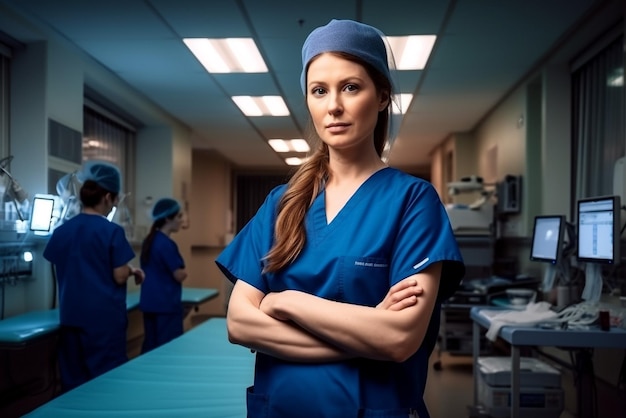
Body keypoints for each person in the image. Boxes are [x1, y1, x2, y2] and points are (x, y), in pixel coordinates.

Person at [216, 19, 465, 418]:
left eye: (351, 87)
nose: (333, 105)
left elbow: (400, 338)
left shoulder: (414, 201)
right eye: (319, 91)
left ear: (382, 96)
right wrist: (365, 335)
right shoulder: (282, 204)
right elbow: (240, 324)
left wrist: (287, 301)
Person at [44, 160, 145, 392]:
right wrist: (131, 270)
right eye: (116, 199)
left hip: (71, 317)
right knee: (105, 383)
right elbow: (119, 276)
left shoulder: (62, 231)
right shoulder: (111, 232)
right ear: (108, 197)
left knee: (73, 382)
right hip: (103, 321)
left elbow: (60, 262)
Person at [139, 198, 187, 353]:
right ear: (167, 218)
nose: (182, 220)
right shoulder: (166, 244)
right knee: (168, 350)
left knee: (151, 347)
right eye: (179, 217)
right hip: (166, 305)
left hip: (150, 304)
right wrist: (184, 273)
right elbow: (178, 275)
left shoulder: (150, 240)